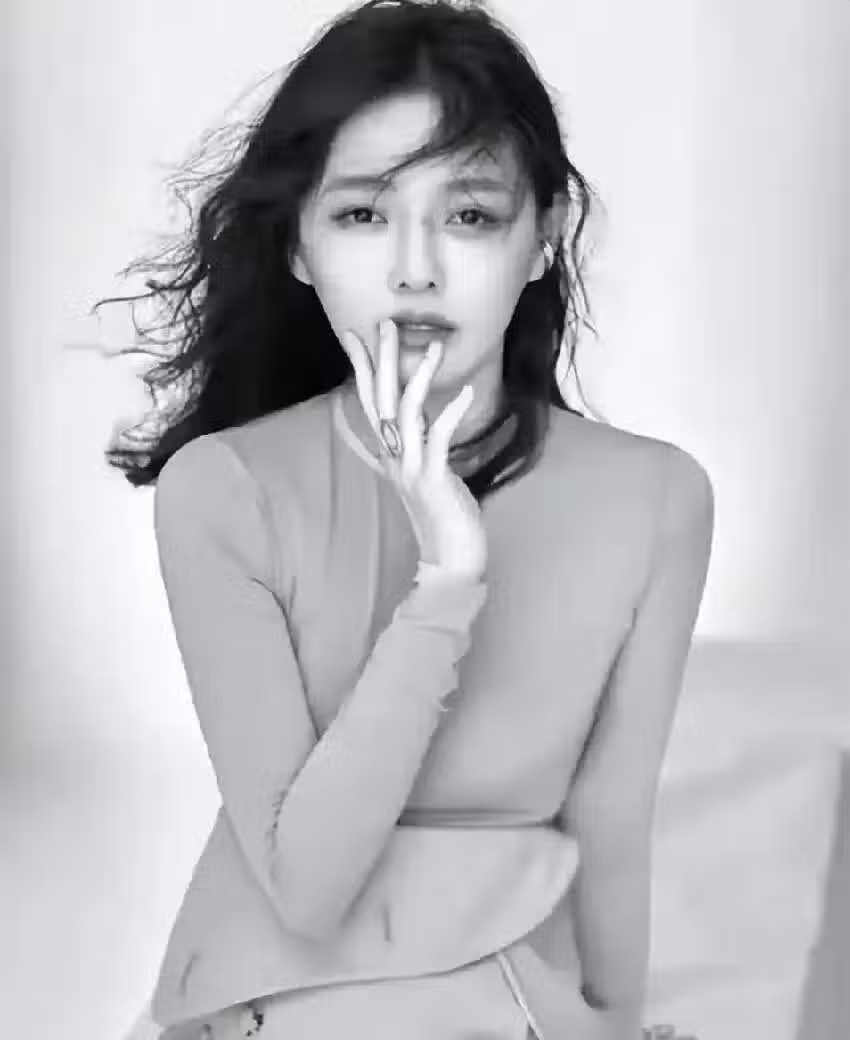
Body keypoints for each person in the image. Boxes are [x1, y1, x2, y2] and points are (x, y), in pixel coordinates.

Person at [100, 2, 713, 1038]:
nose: (415, 269)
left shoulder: (654, 497)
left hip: (505, 991)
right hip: (271, 995)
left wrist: (615, 1021)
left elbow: (612, 823)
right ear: (298, 246)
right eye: (362, 215)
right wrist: (447, 582)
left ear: (544, 234)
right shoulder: (225, 487)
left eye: (468, 215)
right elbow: (307, 885)